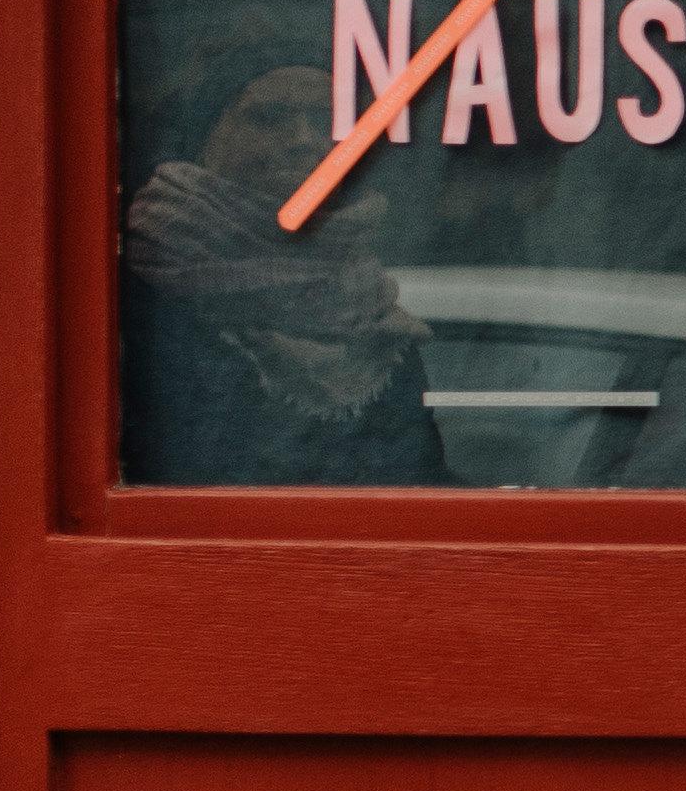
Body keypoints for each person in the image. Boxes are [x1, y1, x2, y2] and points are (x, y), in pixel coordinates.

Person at [117, 51, 449, 486]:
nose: (303, 140)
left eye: (325, 121)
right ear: (205, 137)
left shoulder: (364, 306)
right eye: (268, 118)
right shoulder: (138, 290)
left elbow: (414, 478)